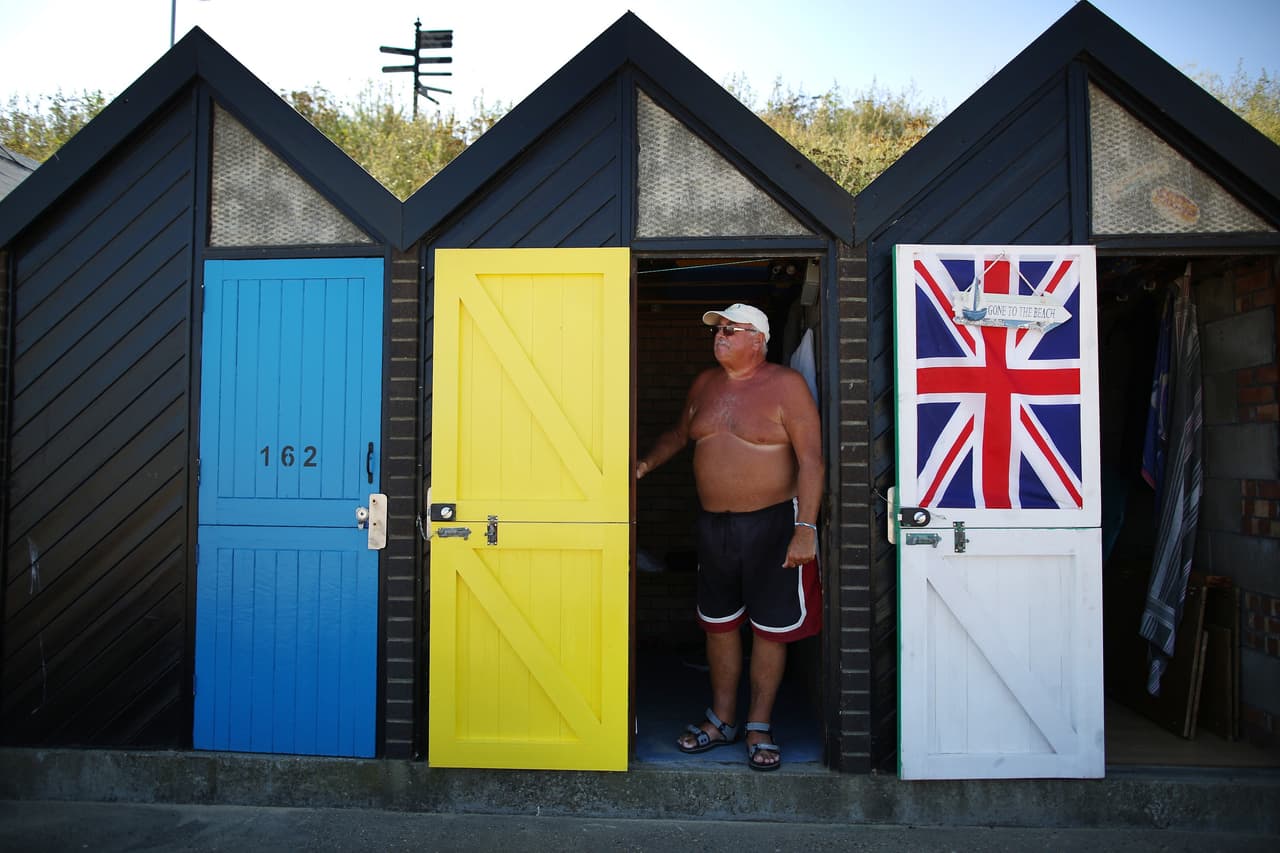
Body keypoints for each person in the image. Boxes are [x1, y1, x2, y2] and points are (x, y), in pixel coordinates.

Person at [636, 303, 823, 771]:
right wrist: (645, 464)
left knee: (770, 629)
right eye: (718, 329)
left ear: (758, 339)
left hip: (774, 524)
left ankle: (759, 725)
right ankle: (721, 719)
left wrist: (806, 528)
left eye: (731, 329)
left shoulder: (786, 385)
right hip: (714, 526)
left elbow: (812, 461)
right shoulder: (705, 384)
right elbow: (680, 434)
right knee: (718, 625)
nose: (720, 335)